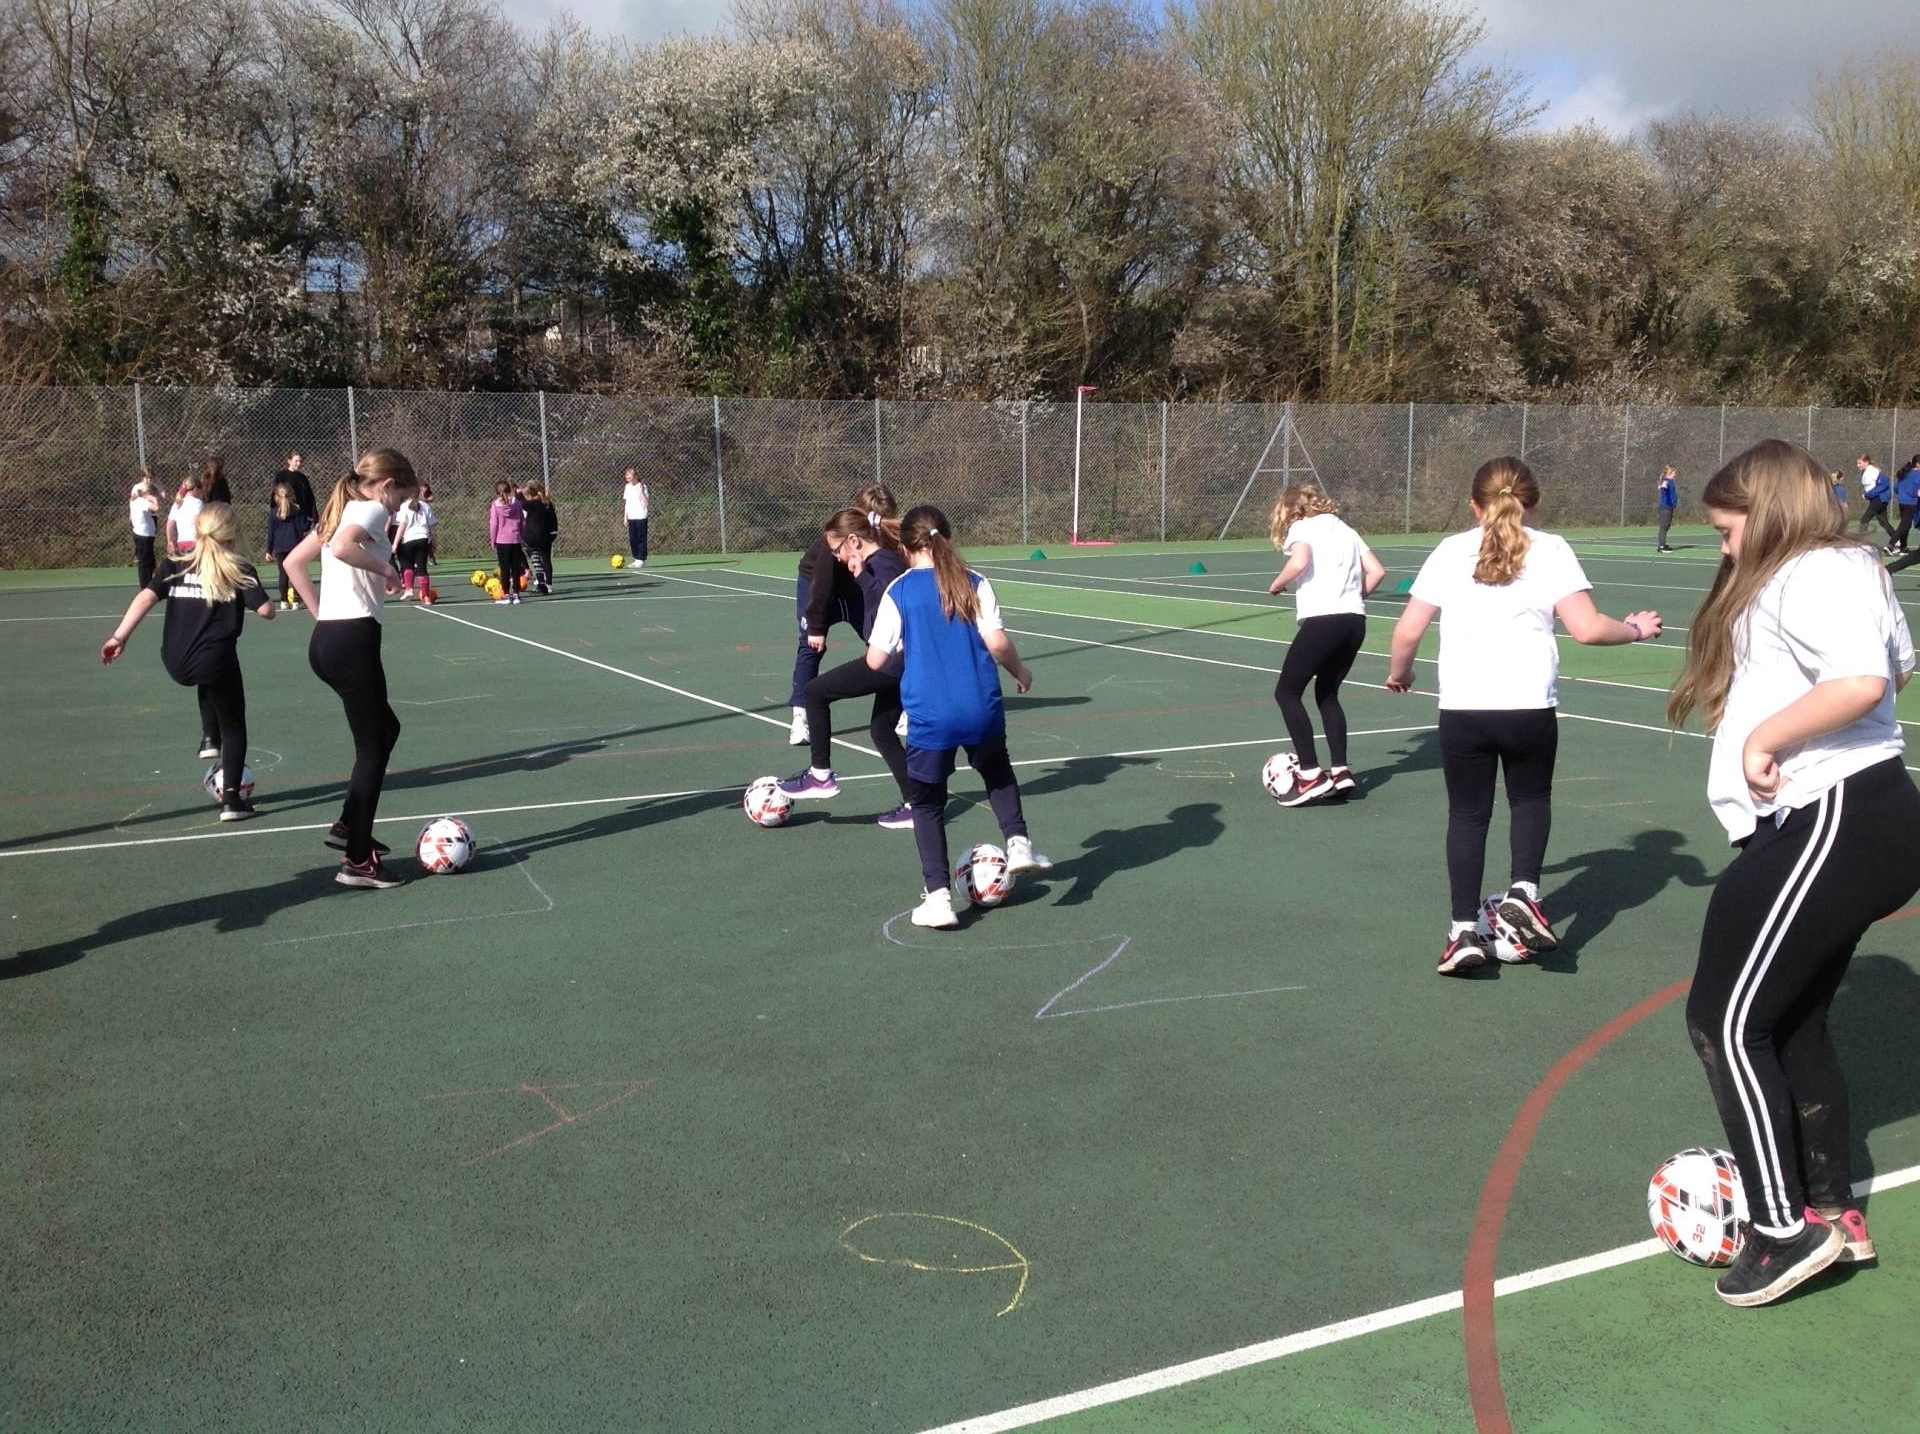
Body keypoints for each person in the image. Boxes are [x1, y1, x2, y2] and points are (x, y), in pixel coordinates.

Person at [1667, 438, 1920, 1307]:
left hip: (1837, 814)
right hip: (1842, 818)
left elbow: (1863, 680)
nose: (1723, 545)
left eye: (1727, 528)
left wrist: (1764, 739)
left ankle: (1783, 1230)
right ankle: (1830, 1211)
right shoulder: (1838, 570)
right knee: (1794, 1021)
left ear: (1769, 512)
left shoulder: (1815, 570)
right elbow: (1898, 665)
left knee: (1725, 1021)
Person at [1385, 457, 1662, 975]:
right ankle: (1524, 893)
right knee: (1530, 799)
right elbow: (1587, 629)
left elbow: (1407, 631)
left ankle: (1462, 933)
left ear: (1474, 505)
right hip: (1528, 706)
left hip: (1464, 708)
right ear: (1533, 503)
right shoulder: (1551, 549)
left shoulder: (1449, 550)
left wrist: (1401, 673)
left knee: (1467, 816)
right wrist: (1636, 630)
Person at [864, 504, 1052, 929]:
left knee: (927, 803)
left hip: (931, 715)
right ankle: (1018, 842)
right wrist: (1020, 672)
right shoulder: (975, 582)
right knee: (996, 771)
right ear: (946, 538)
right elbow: (997, 643)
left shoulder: (899, 591)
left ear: (905, 547)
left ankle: (939, 898)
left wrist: (906, 647)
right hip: (981, 706)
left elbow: (876, 660)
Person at [283, 450, 420, 889]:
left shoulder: (340, 510)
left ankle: (348, 824)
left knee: (387, 729)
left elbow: (292, 563)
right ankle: (357, 861)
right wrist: (387, 569)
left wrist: (321, 614)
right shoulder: (371, 509)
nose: (397, 508)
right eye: (400, 498)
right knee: (372, 748)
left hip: (329, 640)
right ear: (387, 485)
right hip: (352, 641)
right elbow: (343, 548)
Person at [100, 502, 274, 820]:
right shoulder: (238, 569)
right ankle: (232, 802)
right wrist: (257, 594)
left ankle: (209, 738)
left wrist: (119, 636)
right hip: (214, 661)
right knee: (234, 726)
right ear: (233, 534)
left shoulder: (175, 564)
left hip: (176, 659)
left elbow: (146, 596)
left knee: (208, 674)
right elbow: (266, 611)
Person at [777, 508, 914, 828]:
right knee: (882, 731)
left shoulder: (883, 563)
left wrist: (862, 576)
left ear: (854, 540)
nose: (836, 557)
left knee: (815, 692)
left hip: (892, 663)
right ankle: (916, 805)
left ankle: (820, 775)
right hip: (899, 662)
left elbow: (890, 600)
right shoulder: (878, 562)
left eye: (837, 550)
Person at [1264, 485, 1386, 803]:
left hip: (1323, 621)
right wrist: (1352, 599)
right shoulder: (1346, 530)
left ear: (1292, 510)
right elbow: (1377, 571)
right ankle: (1341, 771)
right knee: (1327, 694)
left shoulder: (1302, 527)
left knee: (1287, 693)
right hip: (1354, 621)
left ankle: (1310, 774)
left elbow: (1299, 562)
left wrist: (1277, 584)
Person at [264, 478, 313, 609]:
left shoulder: (273, 513)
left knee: (283, 574)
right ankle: (296, 600)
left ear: (276, 497)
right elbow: (304, 527)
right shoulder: (297, 511)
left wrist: (269, 550)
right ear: (292, 496)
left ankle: (284, 601)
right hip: (295, 547)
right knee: (296, 572)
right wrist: (309, 518)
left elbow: (271, 533)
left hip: (280, 548)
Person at [393, 484, 437, 601]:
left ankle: (409, 589)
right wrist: (434, 542)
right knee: (422, 568)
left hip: (409, 540)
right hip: (423, 539)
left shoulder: (404, 506)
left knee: (407, 565)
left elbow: (402, 526)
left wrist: (395, 543)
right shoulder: (425, 506)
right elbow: (432, 528)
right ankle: (426, 597)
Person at [488, 480, 526, 605]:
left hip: (502, 541)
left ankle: (506, 595)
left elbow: (494, 524)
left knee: (504, 569)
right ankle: (516, 595)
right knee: (516, 569)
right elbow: (522, 521)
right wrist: (522, 536)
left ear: (496, 492)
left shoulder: (495, 505)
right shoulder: (517, 503)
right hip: (515, 539)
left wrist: (493, 540)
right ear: (510, 490)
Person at [521, 481, 559, 595]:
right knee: (546, 559)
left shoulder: (533, 504)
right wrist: (554, 532)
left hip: (533, 536)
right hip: (547, 536)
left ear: (530, 495)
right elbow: (553, 519)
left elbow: (521, 503)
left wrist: (517, 493)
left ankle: (541, 581)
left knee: (535, 557)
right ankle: (548, 584)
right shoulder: (547, 503)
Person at [128, 469, 161, 588]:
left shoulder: (137, 500)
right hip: (144, 535)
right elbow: (156, 508)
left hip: (145, 534)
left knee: (150, 560)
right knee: (144, 563)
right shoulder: (142, 501)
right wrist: (153, 499)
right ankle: (145, 586)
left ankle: (151, 581)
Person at [1855, 453, 1894, 544]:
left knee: (1864, 519)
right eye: (1857, 463)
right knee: (1883, 522)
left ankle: (1862, 544)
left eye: (1860, 463)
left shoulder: (1872, 471)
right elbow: (1870, 487)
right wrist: (1867, 494)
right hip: (1877, 499)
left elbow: (1885, 483)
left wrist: (1868, 495)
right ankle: (1896, 540)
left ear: (1866, 462)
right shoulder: (1866, 471)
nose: (1858, 465)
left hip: (1879, 499)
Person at [166, 475, 204, 559]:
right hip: (195, 543)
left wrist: (170, 540)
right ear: (196, 489)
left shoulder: (177, 504)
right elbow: (199, 523)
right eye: (201, 489)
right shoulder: (198, 503)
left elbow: (169, 525)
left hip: (181, 543)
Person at [1889, 455, 1920, 556]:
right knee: (1905, 525)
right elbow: (1917, 492)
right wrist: (1913, 494)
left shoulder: (1905, 473)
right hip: (1910, 503)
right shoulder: (1918, 474)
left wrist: (1903, 494)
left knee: (1905, 524)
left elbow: (1896, 487)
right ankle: (1890, 545)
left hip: (1902, 502)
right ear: (1918, 464)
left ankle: (1903, 548)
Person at [622, 468, 650, 570]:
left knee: (641, 538)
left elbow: (646, 503)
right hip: (631, 516)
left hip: (641, 516)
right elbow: (627, 503)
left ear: (636, 476)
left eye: (630, 476)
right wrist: (625, 517)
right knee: (633, 538)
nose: (628, 478)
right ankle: (636, 558)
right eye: (627, 477)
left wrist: (641, 492)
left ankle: (641, 559)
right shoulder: (627, 487)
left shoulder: (642, 486)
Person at [278, 452, 317, 522]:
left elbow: (310, 497)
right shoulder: (281, 476)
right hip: (287, 515)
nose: (299, 464)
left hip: (302, 516)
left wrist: (314, 516)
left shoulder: (303, 478)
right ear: (289, 461)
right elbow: (276, 495)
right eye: (296, 461)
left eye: (300, 461)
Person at [1656, 464, 1678, 552]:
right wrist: (1663, 486)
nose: (1676, 474)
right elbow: (1663, 486)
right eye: (1674, 472)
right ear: (1670, 472)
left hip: (1669, 507)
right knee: (1664, 527)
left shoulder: (1671, 481)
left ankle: (1663, 544)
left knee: (1667, 526)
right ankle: (1661, 546)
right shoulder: (1666, 481)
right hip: (1665, 507)